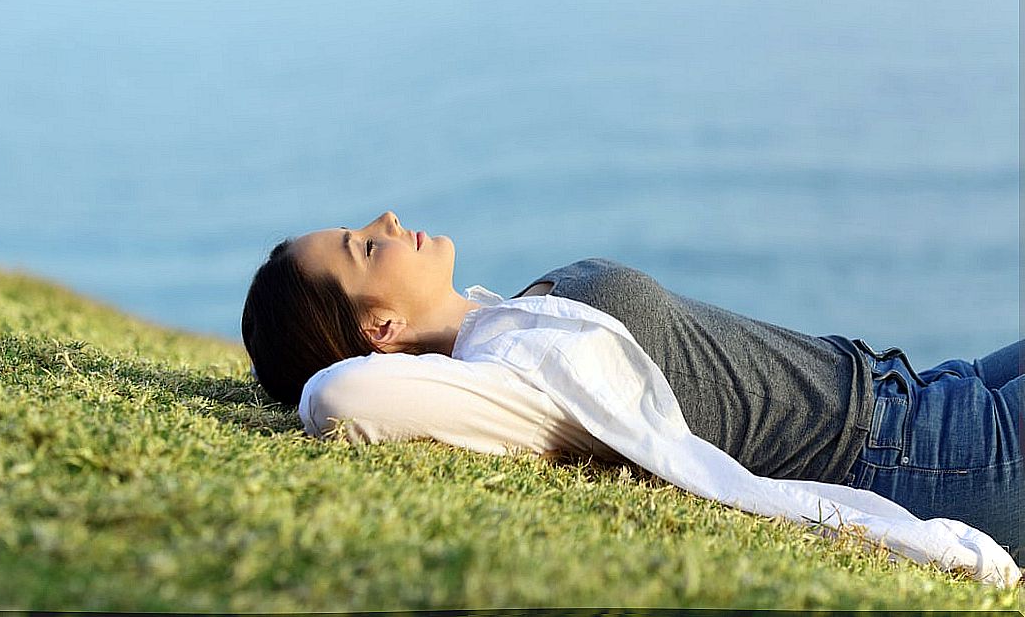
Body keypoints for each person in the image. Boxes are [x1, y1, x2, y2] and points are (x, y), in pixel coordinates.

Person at [241, 210, 1022, 571]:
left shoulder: (505, 315)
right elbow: (340, 398)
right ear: (379, 330)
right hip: (930, 459)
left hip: (925, 387)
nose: (387, 218)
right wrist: (319, 376)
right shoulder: (512, 382)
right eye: (365, 247)